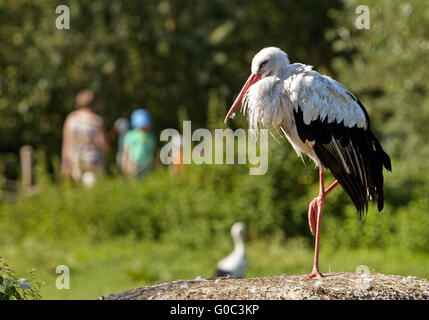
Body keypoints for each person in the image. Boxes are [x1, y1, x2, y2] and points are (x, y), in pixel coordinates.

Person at [61, 89, 109, 184]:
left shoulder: (72, 118)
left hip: (75, 159)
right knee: (92, 189)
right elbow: (103, 145)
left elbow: (67, 143)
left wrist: (64, 163)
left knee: (77, 189)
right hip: (94, 160)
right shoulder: (97, 121)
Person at [122, 109, 156, 177]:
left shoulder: (151, 136)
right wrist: (125, 165)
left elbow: (154, 152)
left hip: (148, 166)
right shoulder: (131, 135)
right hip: (134, 164)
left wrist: (155, 164)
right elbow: (126, 151)